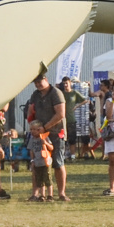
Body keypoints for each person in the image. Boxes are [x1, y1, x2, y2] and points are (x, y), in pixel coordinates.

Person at [26, 72, 69, 201]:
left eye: (40, 81)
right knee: (38, 164)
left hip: (55, 133)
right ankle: (37, 194)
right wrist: (33, 124)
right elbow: (30, 110)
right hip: (39, 135)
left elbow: (60, 114)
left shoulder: (55, 93)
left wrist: (45, 127)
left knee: (57, 162)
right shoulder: (35, 95)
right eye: (35, 82)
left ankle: (61, 193)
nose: (38, 84)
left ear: (46, 79)